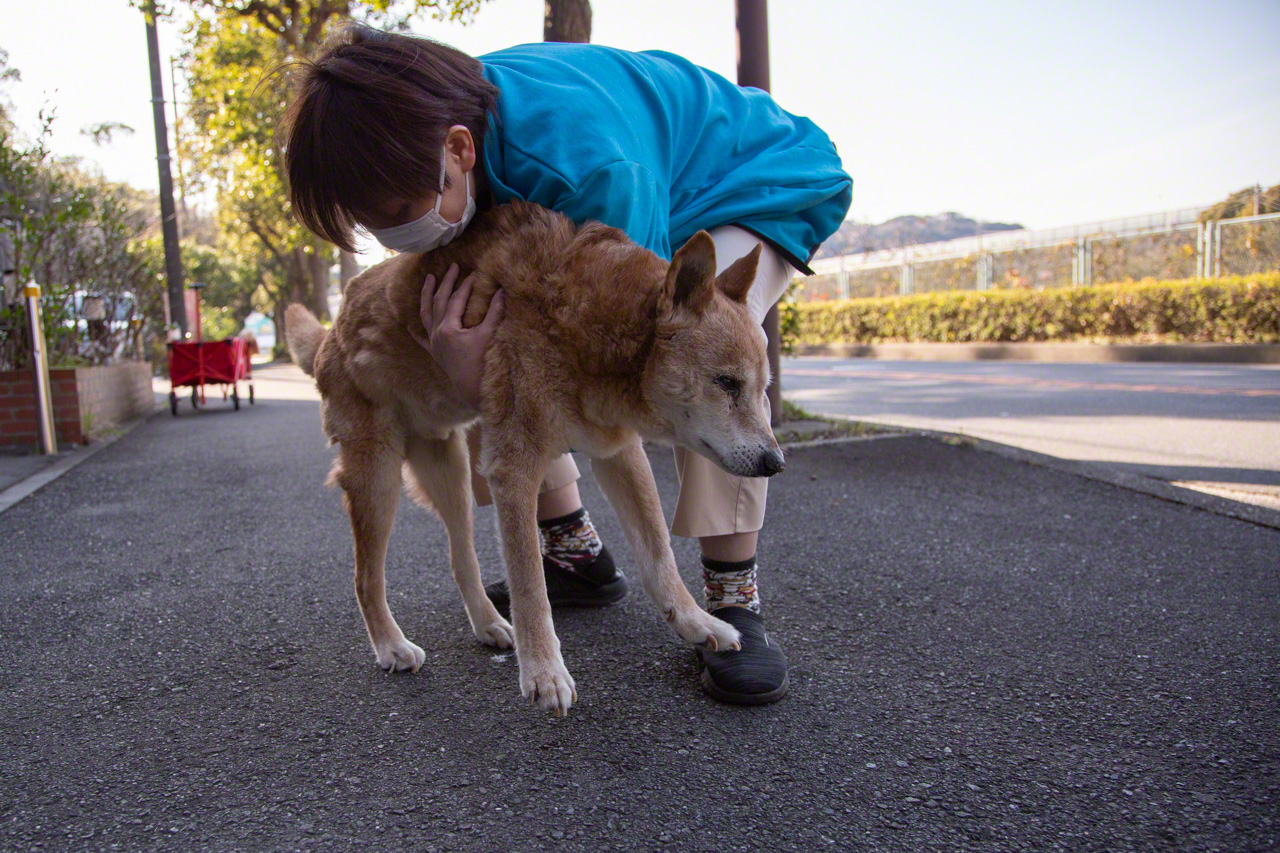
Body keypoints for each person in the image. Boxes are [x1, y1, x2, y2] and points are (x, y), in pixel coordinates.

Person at [281, 25, 852, 705]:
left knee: (699, 361)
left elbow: (629, 358)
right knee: (524, 368)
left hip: (755, 177)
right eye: (378, 228)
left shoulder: (588, 172)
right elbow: (535, 372)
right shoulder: (427, 126)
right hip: (654, 170)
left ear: (458, 149)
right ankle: (575, 550)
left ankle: (732, 597)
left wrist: (480, 385)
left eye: (401, 214)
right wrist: (473, 376)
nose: (397, 240)